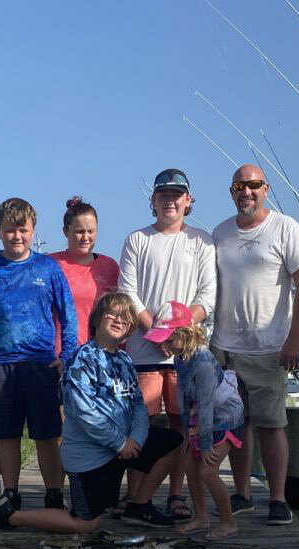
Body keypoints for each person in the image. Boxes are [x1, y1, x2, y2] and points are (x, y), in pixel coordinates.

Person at [0, 291, 181, 532]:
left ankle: (139, 505)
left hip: (123, 446)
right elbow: (83, 413)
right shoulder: (82, 359)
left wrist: (136, 439)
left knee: (174, 442)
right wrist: (120, 443)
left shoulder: (124, 360)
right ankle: (12, 515)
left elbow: (138, 406)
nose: (118, 320)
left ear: (131, 328)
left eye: (125, 317)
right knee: (86, 524)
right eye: (112, 313)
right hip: (91, 455)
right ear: (97, 320)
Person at [211, 164, 299, 526]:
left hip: (270, 348)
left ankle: (277, 498)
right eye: (239, 185)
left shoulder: (286, 228)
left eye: (253, 185)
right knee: (234, 426)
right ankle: (241, 495)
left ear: (266, 188)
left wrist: (294, 338)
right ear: (231, 191)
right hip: (224, 349)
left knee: (272, 426)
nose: (246, 192)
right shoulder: (220, 233)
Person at [0, 196, 75, 512]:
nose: (17, 236)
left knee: (48, 435)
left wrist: (66, 356)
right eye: (10, 230)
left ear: (33, 230)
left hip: (41, 365)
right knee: (7, 436)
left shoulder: (47, 268)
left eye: (23, 230)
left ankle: (54, 493)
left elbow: (68, 316)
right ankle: (11, 494)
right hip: (1, 367)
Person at [117, 168, 216, 521]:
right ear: (153, 202)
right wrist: (154, 331)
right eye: (163, 195)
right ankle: (135, 496)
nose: (169, 201)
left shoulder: (202, 241)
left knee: (180, 427)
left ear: (188, 201)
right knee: (139, 424)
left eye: (177, 195)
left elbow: (207, 296)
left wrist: (176, 336)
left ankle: (176, 495)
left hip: (184, 355)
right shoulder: (137, 240)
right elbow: (128, 292)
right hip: (143, 351)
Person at [148, 302, 246, 540]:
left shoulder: (202, 362)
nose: (164, 345)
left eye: (169, 339)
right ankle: (201, 518)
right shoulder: (181, 357)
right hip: (202, 416)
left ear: (185, 334)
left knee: (207, 470)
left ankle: (228, 522)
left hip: (226, 418)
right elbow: (184, 397)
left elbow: (204, 404)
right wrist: (189, 439)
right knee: (190, 466)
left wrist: (205, 445)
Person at [49, 196, 119, 351]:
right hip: (59, 357)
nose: (86, 238)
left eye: (91, 231)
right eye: (79, 232)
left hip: (101, 356)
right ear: (66, 231)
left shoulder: (110, 266)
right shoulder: (50, 264)